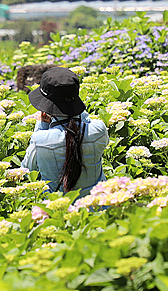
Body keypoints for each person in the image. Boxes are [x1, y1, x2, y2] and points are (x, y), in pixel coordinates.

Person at [21, 67, 108, 197]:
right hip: (98, 208)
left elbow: (27, 170)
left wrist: (42, 125)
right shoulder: (99, 129)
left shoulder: (39, 139)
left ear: (46, 106)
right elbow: (82, 125)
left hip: (59, 210)